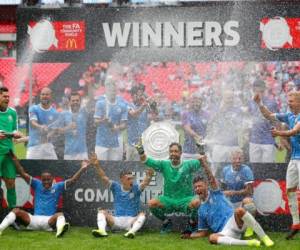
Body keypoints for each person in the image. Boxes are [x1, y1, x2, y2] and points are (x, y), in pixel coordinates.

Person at [182, 154, 274, 247]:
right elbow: (203, 233)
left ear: (206, 186)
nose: (197, 188)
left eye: (200, 186)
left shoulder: (215, 193)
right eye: (196, 187)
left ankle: (264, 238)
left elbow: (211, 178)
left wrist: (204, 163)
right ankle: (251, 243)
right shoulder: (201, 211)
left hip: (235, 221)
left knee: (239, 210)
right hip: (226, 231)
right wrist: (190, 235)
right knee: (212, 238)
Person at [0, 151, 89, 237]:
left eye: (48, 179)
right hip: (34, 220)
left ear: (52, 179)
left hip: (48, 221)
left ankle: (59, 231)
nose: (46, 182)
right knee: (16, 211)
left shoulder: (58, 186)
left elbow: (73, 180)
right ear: (41, 179)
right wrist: (15, 160)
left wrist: (82, 168)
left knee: (60, 215)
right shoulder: (37, 183)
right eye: (44, 180)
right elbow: (22, 173)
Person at [254, 90, 300, 239]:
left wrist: (278, 134)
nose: (289, 102)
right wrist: (259, 103)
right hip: (294, 158)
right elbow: (269, 115)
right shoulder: (289, 115)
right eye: (288, 99)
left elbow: (293, 132)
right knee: (290, 191)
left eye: (291, 100)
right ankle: (296, 224)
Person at [136, 141, 201, 233]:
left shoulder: (189, 164)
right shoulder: (164, 164)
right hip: (169, 200)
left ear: (180, 153)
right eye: (171, 151)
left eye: (175, 151)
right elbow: (145, 160)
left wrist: (201, 150)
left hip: (185, 200)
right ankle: (166, 222)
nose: (173, 153)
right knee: (151, 203)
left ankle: (192, 223)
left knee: (197, 202)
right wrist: (141, 151)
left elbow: (203, 160)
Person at [89, 153, 154, 238]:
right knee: (101, 212)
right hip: (116, 221)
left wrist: (150, 175)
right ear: (122, 179)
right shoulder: (115, 187)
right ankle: (102, 231)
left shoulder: (136, 188)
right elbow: (103, 177)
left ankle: (131, 232)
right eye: (128, 179)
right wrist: (97, 165)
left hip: (131, 221)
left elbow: (145, 182)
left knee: (142, 214)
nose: (131, 181)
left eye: (132, 178)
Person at [94, 80, 128, 161]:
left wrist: (117, 128)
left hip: (116, 143)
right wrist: (103, 120)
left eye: (113, 90)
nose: (112, 92)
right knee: (100, 168)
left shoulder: (122, 105)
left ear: (116, 91)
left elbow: (124, 125)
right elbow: (95, 122)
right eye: (109, 90)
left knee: (115, 169)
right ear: (106, 91)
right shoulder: (100, 104)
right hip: (101, 143)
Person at [0, 87, 22, 209]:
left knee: (11, 183)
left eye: (8, 97)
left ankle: (12, 215)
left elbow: (14, 129)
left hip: (9, 153)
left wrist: (16, 133)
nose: (7, 99)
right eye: (4, 96)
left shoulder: (12, 112)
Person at [249, 79, 279, 162]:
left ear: (264, 90)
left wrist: (278, 138)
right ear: (253, 90)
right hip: (254, 140)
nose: (259, 93)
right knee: (255, 168)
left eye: (261, 91)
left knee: (268, 168)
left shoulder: (272, 103)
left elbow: (277, 120)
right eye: (256, 91)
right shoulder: (250, 102)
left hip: (268, 140)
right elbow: (249, 119)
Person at [27, 87, 59, 159]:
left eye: (47, 94)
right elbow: (33, 122)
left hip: (48, 146)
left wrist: (51, 133)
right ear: (40, 96)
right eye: (42, 94)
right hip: (34, 147)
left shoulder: (55, 113)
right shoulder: (33, 108)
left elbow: (55, 130)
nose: (44, 96)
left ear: (51, 96)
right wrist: (41, 127)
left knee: (55, 167)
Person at [57, 92, 88, 160]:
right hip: (69, 152)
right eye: (73, 101)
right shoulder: (64, 114)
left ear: (80, 101)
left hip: (83, 152)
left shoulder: (84, 112)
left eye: (77, 100)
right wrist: (68, 127)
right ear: (69, 102)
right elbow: (59, 131)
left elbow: (91, 100)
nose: (75, 102)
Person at [126, 85, 150, 161]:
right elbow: (134, 114)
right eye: (139, 95)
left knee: (140, 168)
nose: (141, 97)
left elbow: (155, 113)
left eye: (142, 95)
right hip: (132, 143)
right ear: (133, 96)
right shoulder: (128, 105)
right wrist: (144, 105)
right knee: (128, 169)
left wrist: (152, 103)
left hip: (142, 143)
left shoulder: (146, 106)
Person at [181, 93, 209, 159]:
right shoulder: (186, 114)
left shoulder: (206, 114)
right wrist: (197, 136)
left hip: (202, 150)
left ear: (202, 102)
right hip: (188, 151)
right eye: (194, 101)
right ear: (191, 102)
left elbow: (210, 128)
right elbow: (187, 128)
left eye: (199, 101)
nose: (196, 103)